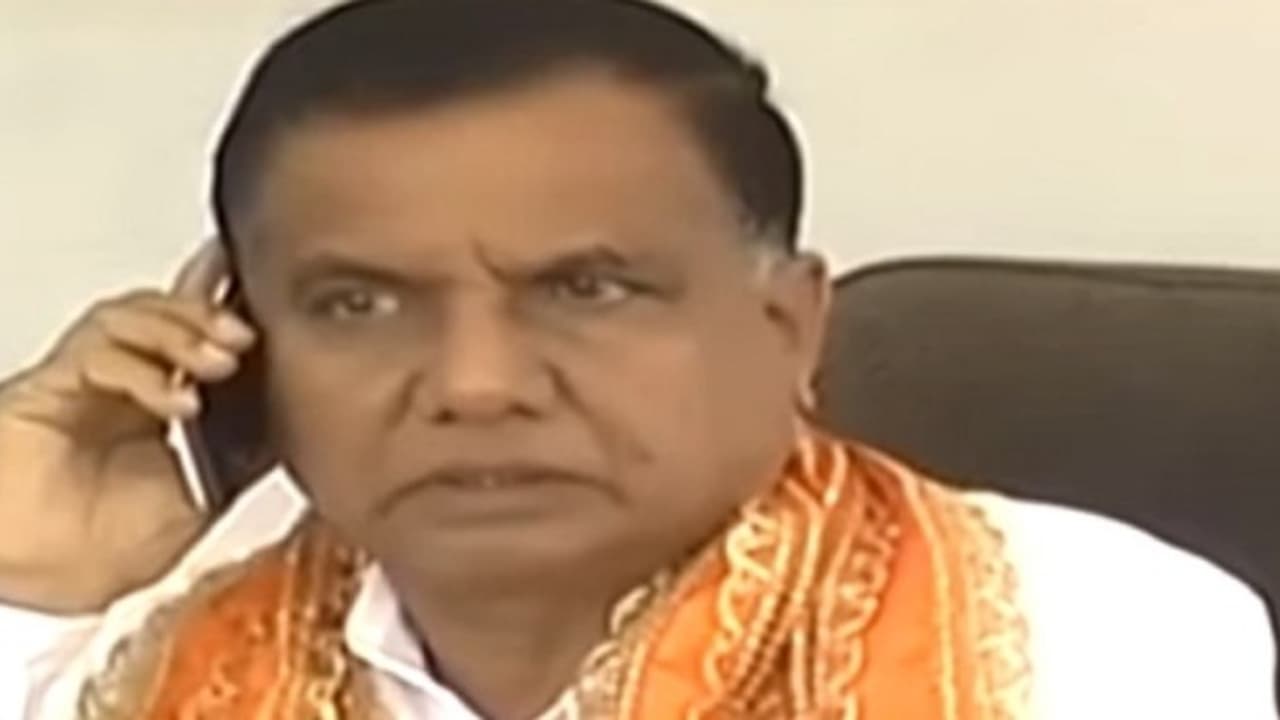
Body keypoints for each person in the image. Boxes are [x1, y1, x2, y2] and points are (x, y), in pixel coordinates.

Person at [0, 1, 1273, 718]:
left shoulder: (1084, 641)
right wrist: (33, 583)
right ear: (241, 349)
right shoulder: (139, 667)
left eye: (585, 290)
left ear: (787, 328)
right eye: (358, 304)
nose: (477, 383)